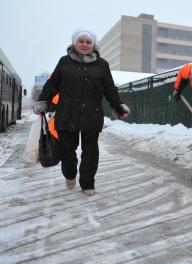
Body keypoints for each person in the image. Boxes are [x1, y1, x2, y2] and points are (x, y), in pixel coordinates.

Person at [32, 28, 130, 196]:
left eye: (88, 42)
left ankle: (87, 183)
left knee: (91, 154)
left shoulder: (102, 65)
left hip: (92, 116)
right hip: (66, 115)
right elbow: (52, 85)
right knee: (67, 152)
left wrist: (118, 106)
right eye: (81, 41)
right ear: (74, 43)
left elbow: (109, 89)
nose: (85, 45)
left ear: (93, 44)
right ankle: (70, 175)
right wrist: (43, 102)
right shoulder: (64, 62)